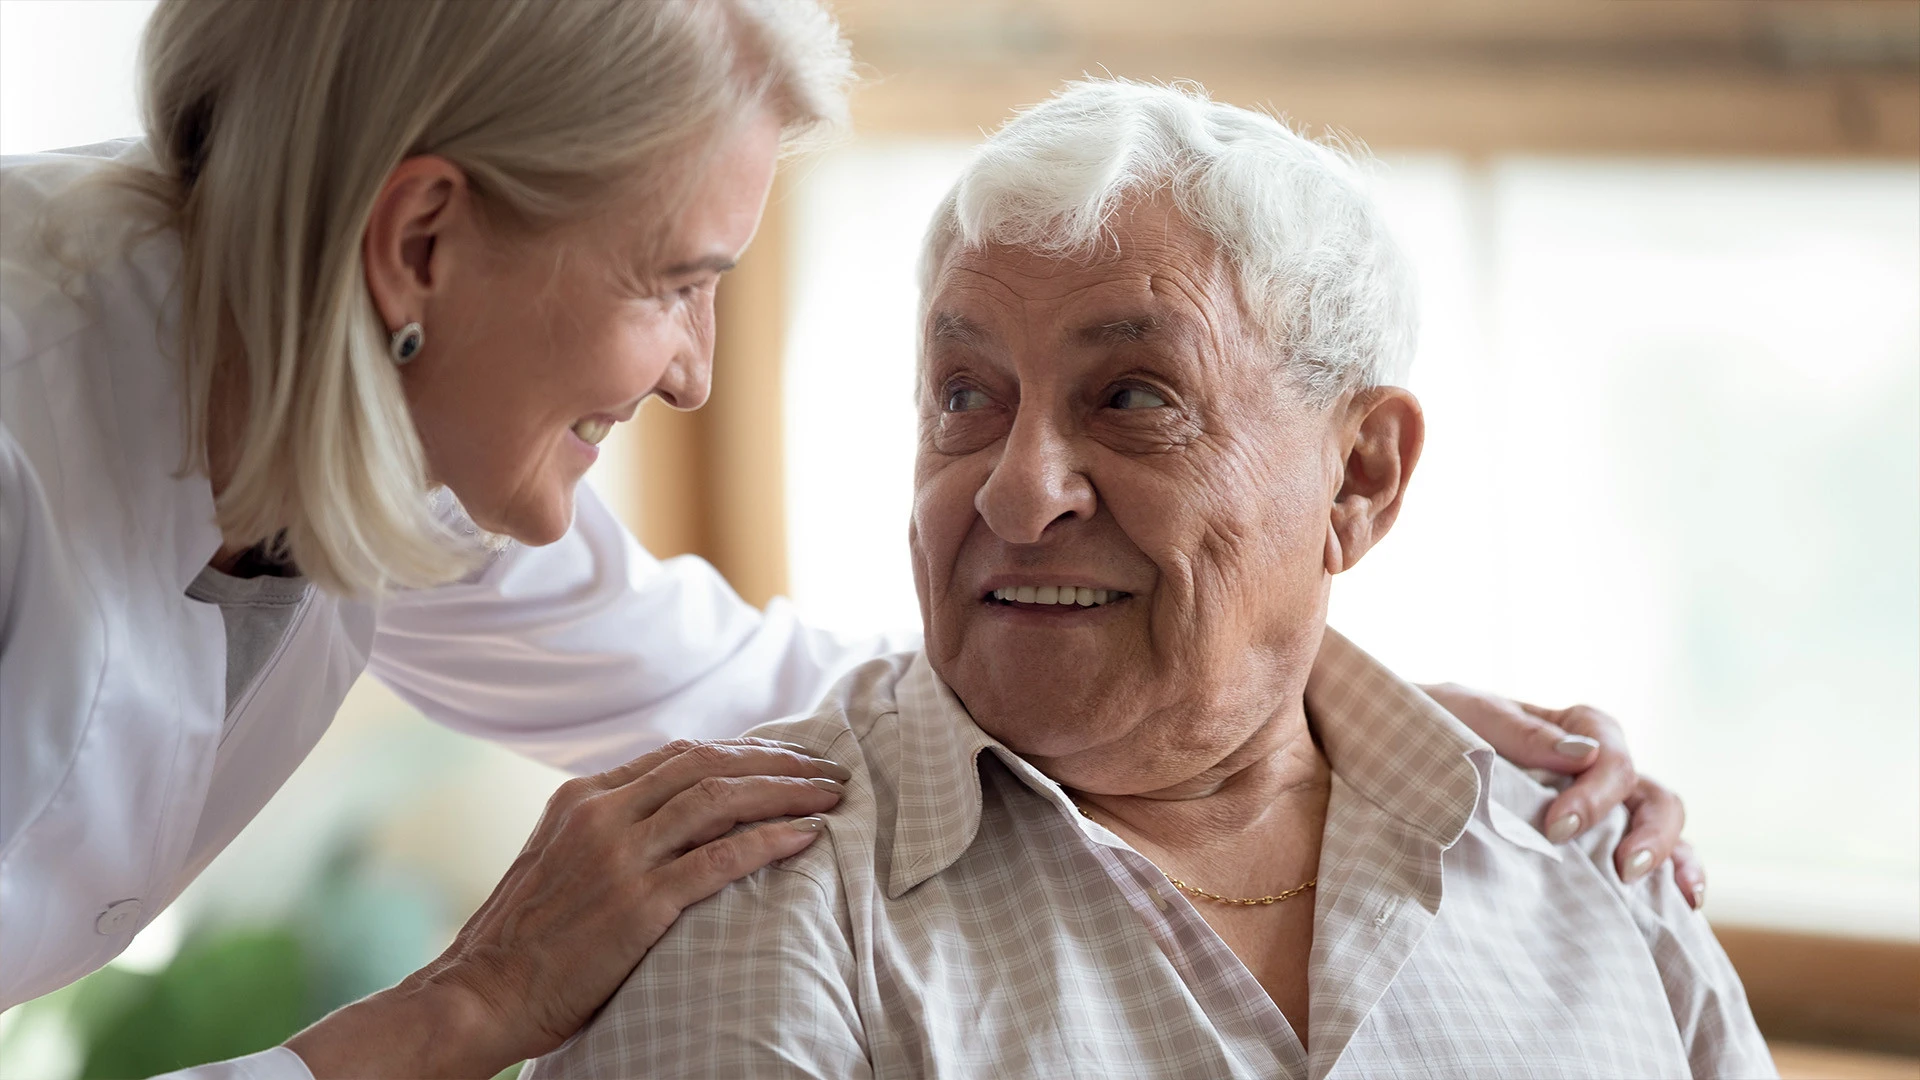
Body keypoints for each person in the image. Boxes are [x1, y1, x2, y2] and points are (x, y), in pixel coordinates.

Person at [0, 3, 1692, 1078]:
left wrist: (1314, 705)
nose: (692, 374)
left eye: (1133, 402)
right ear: (424, 243)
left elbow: (795, 682)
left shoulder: (391, 447)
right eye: (674, 281)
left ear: (1368, 473)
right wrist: (448, 1018)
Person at [530, 79, 1771, 1080]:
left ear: (1361, 480)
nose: (1017, 495)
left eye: (1132, 399)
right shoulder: (755, 902)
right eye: (967, 398)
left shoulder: (1588, 856)